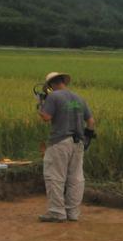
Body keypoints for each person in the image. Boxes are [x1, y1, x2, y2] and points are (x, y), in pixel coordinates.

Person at [37, 71, 95, 223]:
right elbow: (91, 121)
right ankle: (73, 213)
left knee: (54, 176)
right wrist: (87, 137)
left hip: (60, 142)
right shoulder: (79, 98)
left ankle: (56, 212)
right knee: (76, 178)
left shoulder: (53, 96)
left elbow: (46, 117)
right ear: (63, 81)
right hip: (78, 142)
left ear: (51, 85)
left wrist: (40, 104)